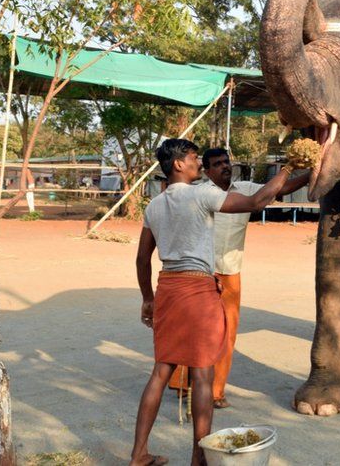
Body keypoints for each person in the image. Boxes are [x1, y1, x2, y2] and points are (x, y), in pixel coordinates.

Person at [130, 138, 297, 466]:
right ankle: (198, 457)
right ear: (178, 164)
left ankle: (138, 454)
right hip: (198, 290)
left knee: (161, 371)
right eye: (193, 158)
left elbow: (141, 259)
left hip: (168, 288)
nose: (197, 162)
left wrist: (148, 299)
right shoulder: (202, 193)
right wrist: (289, 167)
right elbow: (256, 202)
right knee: (203, 377)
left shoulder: (155, 205)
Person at [168, 149, 310, 409]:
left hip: (231, 272)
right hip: (201, 273)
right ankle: (181, 383)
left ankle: (215, 392)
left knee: (227, 334)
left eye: (226, 162)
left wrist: (311, 172)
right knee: (193, 331)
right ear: (207, 170)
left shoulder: (245, 188)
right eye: (217, 164)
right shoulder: (199, 193)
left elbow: (281, 188)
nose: (224, 167)